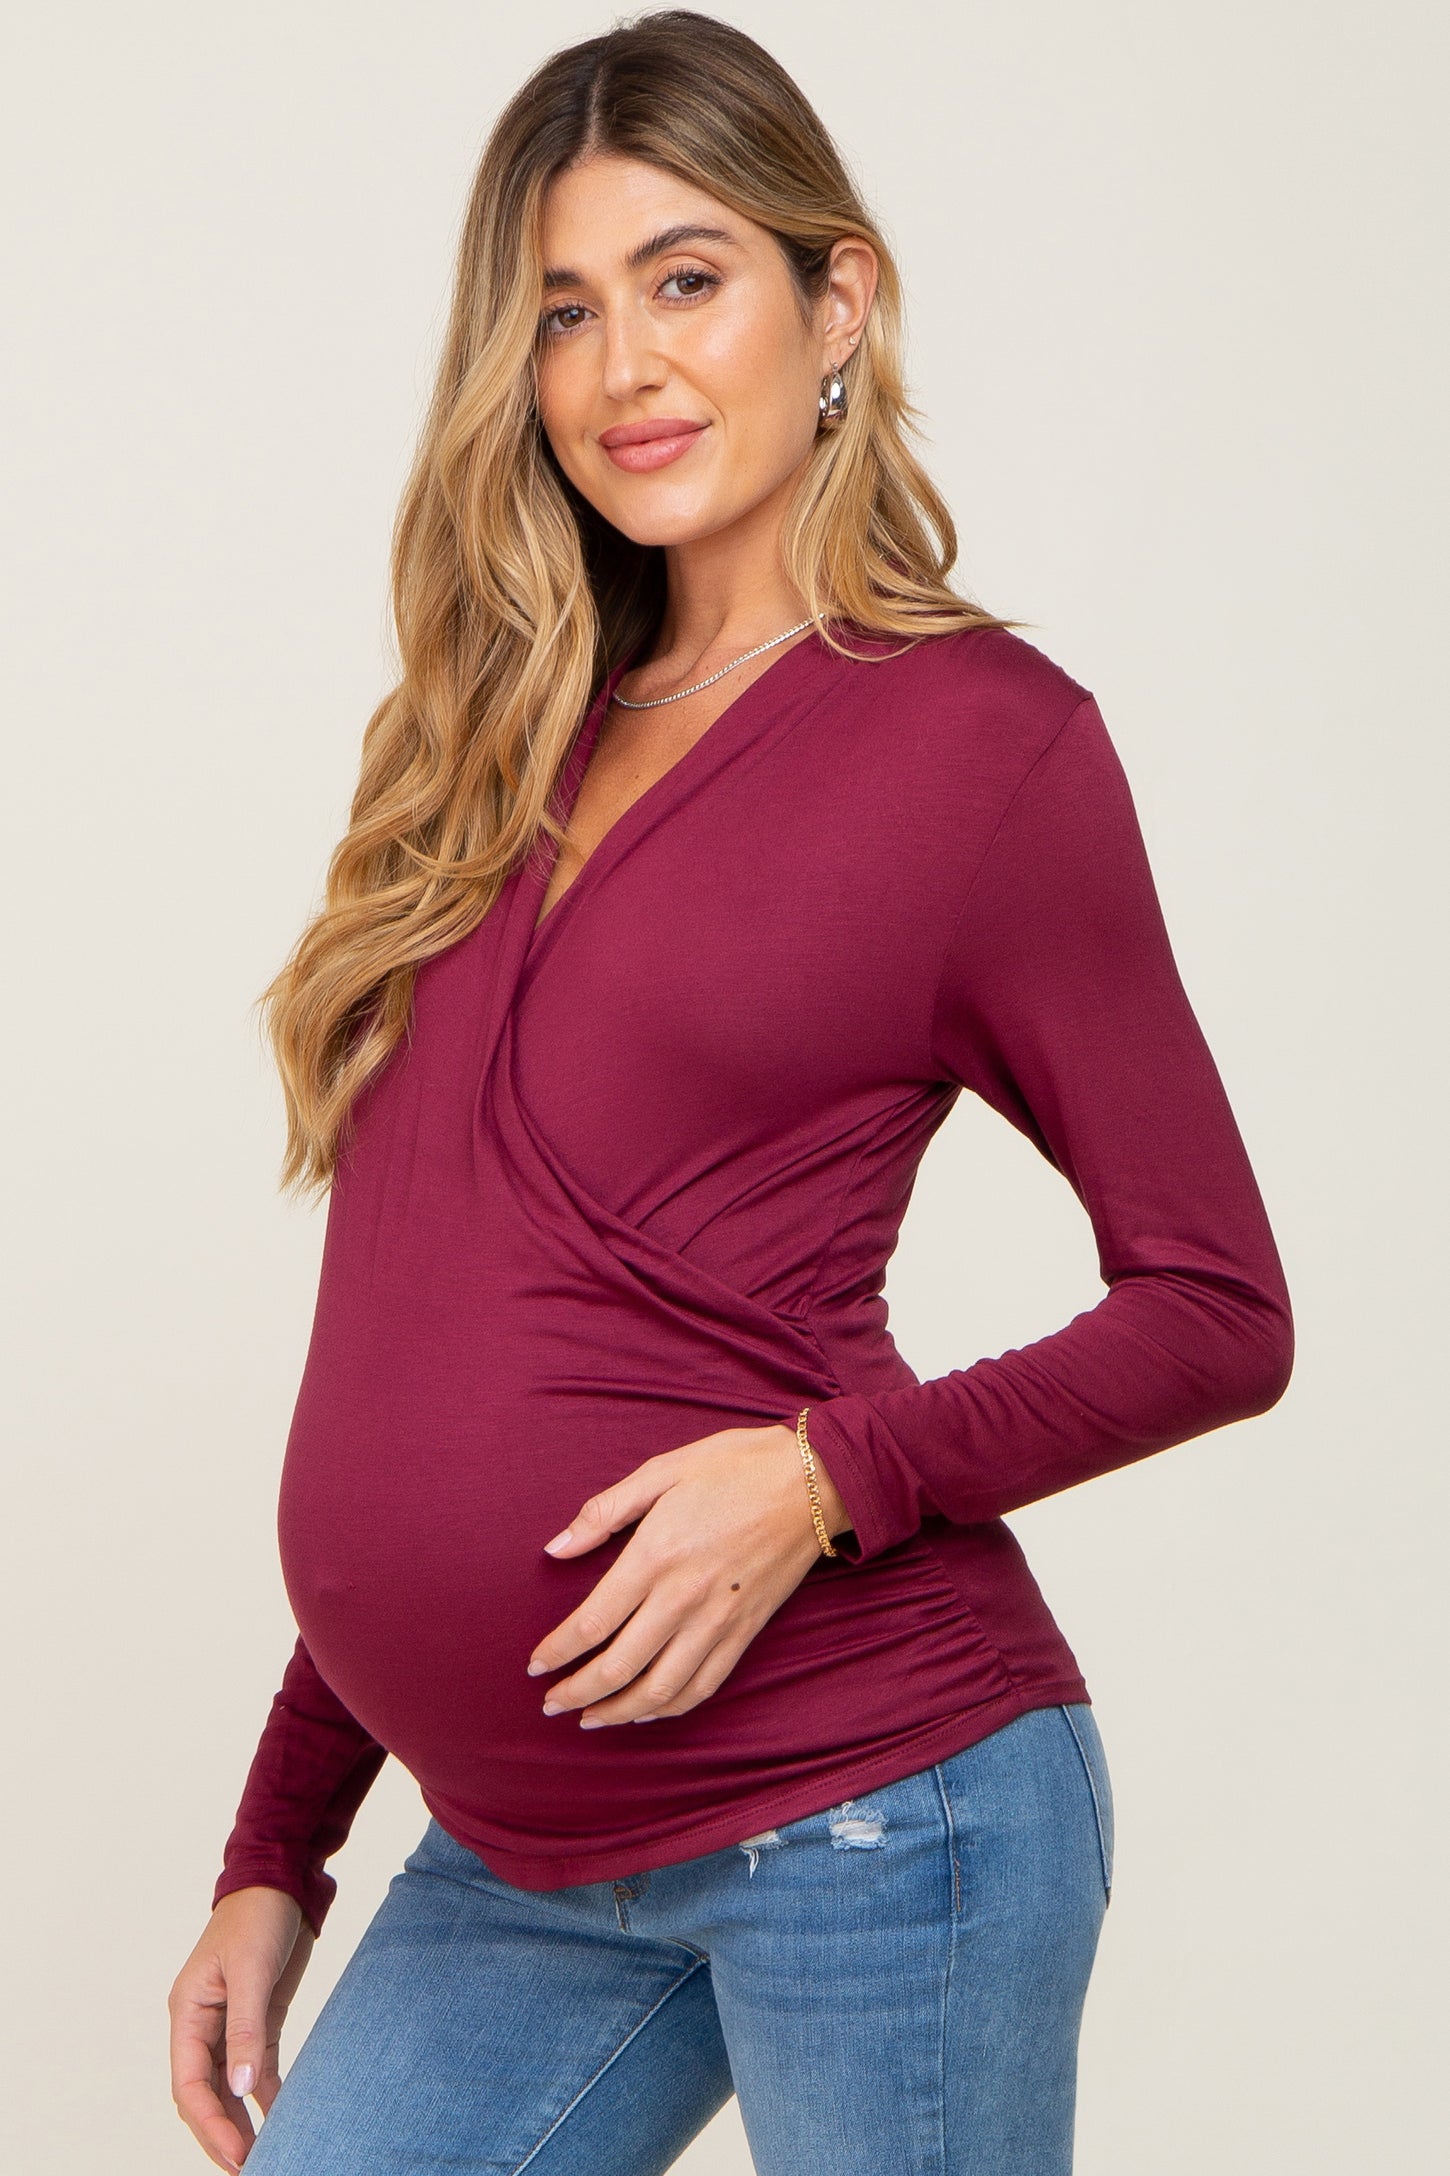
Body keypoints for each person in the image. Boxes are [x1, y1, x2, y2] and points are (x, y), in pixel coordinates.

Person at [167, 11, 1294, 2173]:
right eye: (562, 310)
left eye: (684, 280)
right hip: (514, 1854)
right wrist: (275, 1841)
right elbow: (434, 1337)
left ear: (833, 300)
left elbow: (1216, 1306)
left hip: (872, 1810)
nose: (623, 368)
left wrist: (819, 1477)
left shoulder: (980, 747)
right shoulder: (489, 747)